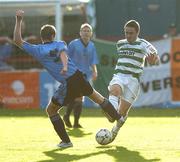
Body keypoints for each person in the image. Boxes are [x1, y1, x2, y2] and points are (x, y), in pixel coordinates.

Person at [14, 10, 121, 148]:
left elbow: (17, 41)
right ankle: (119, 118)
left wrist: (18, 20)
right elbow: (63, 53)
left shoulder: (38, 50)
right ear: (53, 35)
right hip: (78, 75)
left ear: (42, 37)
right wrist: (65, 65)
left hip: (69, 81)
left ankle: (66, 141)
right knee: (98, 98)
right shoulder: (60, 43)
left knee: (51, 111)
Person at [107, 20, 160, 143]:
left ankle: (115, 129)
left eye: (131, 33)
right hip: (119, 76)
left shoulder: (143, 44)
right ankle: (110, 113)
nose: (128, 35)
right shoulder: (120, 44)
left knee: (121, 114)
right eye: (126, 33)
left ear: (137, 32)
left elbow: (154, 55)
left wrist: (154, 60)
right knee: (114, 91)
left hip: (133, 81)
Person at [63, 23, 99, 128]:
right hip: (73, 73)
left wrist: (95, 71)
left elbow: (93, 60)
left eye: (88, 31)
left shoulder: (92, 45)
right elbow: (66, 57)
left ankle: (69, 118)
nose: (86, 32)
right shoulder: (73, 44)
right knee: (77, 97)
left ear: (91, 33)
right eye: (84, 30)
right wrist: (65, 68)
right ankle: (74, 122)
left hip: (84, 74)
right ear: (80, 33)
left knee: (77, 98)